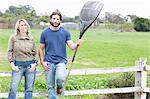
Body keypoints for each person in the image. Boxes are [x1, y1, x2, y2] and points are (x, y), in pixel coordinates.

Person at [39, 9, 81, 99]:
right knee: (50, 86)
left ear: (60, 21)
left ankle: (59, 86)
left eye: (57, 19)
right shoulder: (44, 33)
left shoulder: (65, 32)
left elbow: (71, 46)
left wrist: (76, 44)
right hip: (49, 62)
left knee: (61, 78)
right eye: (54, 18)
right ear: (50, 19)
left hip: (61, 61)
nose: (55, 21)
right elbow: (41, 49)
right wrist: (42, 62)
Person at [7, 19, 37, 99]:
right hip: (18, 66)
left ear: (27, 26)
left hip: (30, 66)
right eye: (21, 25)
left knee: (29, 90)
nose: (23, 26)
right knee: (13, 89)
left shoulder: (31, 38)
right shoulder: (13, 38)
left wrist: (34, 64)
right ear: (18, 27)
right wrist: (12, 65)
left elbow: (35, 53)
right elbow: (9, 52)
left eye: (25, 25)